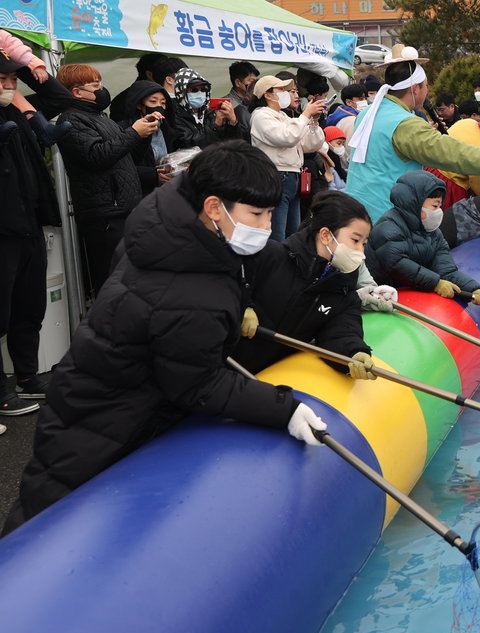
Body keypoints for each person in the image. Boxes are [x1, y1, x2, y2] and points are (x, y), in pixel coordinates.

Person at [2, 141, 329, 533]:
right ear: (213, 207)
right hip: (104, 425)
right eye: (257, 214)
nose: (266, 226)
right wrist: (283, 408)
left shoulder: (170, 225)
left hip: (95, 397)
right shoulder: (187, 289)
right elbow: (199, 383)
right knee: (41, 531)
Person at [345, 45, 480, 222]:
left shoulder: (369, 113)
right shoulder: (405, 124)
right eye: (426, 85)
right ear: (415, 88)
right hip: (384, 216)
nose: (428, 90)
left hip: (355, 210)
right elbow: (454, 154)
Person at [234, 190, 376, 378]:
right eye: (355, 240)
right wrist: (243, 305)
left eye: (364, 243)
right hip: (220, 362)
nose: (361, 251)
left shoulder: (344, 291)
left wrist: (353, 353)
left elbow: (341, 332)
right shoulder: (271, 256)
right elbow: (225, 278)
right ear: (325, 235)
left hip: (267, 377)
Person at [56, 64, 158, 299]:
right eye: (95, 85)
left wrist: (143, 133)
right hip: (105, 214)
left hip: (124, 208)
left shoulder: (100, 118)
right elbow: (96, 156)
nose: (102, 90)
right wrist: (133, 132)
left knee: (133, 279)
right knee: (113, 281)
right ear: (76, 92)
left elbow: (125, 156)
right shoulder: (70, 120)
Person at [0, 49, 61, 417]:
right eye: (3, 80)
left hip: (28, 225)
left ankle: (26, 377)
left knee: (29, 307)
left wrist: (34, 67)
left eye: (12, 80)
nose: (9, 85)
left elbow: (59, 100)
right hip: (3, 231)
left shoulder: (16, 110)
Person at [366, 170, 480, 305]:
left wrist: (473, 289)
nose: (438, 211)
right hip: (377, 292)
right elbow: (396, 264)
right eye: (434, 206)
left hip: (409, 290)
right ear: (415, 204)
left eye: (440, 206)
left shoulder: (433, 233)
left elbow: (446, 269)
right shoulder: (388, 227)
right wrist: (435, 283)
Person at [250, 74, 326, 241]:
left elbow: (309, 144)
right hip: (276, 176)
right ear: (267, 94)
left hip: (292, 177)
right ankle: (277, 265)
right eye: (281, 90)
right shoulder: (261, 115)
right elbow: (286, 137)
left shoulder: (284, 116)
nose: (286, 94)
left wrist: (313, 122)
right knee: (278, 234)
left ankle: (290, 265)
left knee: (293, 233)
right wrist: (305, 115)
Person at [118, 80, 175, 197]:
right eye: (153, 101)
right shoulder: (124, 129)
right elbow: (122, 167)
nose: (159, 106)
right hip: (139, 194)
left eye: (163, 103)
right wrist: (152, 175)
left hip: (165, 192)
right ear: (140, 105)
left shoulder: (166, 128)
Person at [171, 67, 241, 150]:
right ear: (182, 92)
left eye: (203, 89)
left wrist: (232, 122)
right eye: (194, 90)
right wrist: (215, 125)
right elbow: (188, 144)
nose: (200, 93)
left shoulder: (210, 112)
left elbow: (234, 143)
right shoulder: (174, 114)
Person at [109, 52, 166, 122]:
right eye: (153, 101)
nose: (167, 80)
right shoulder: (123, 100)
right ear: (149, 74)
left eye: (163, 102)